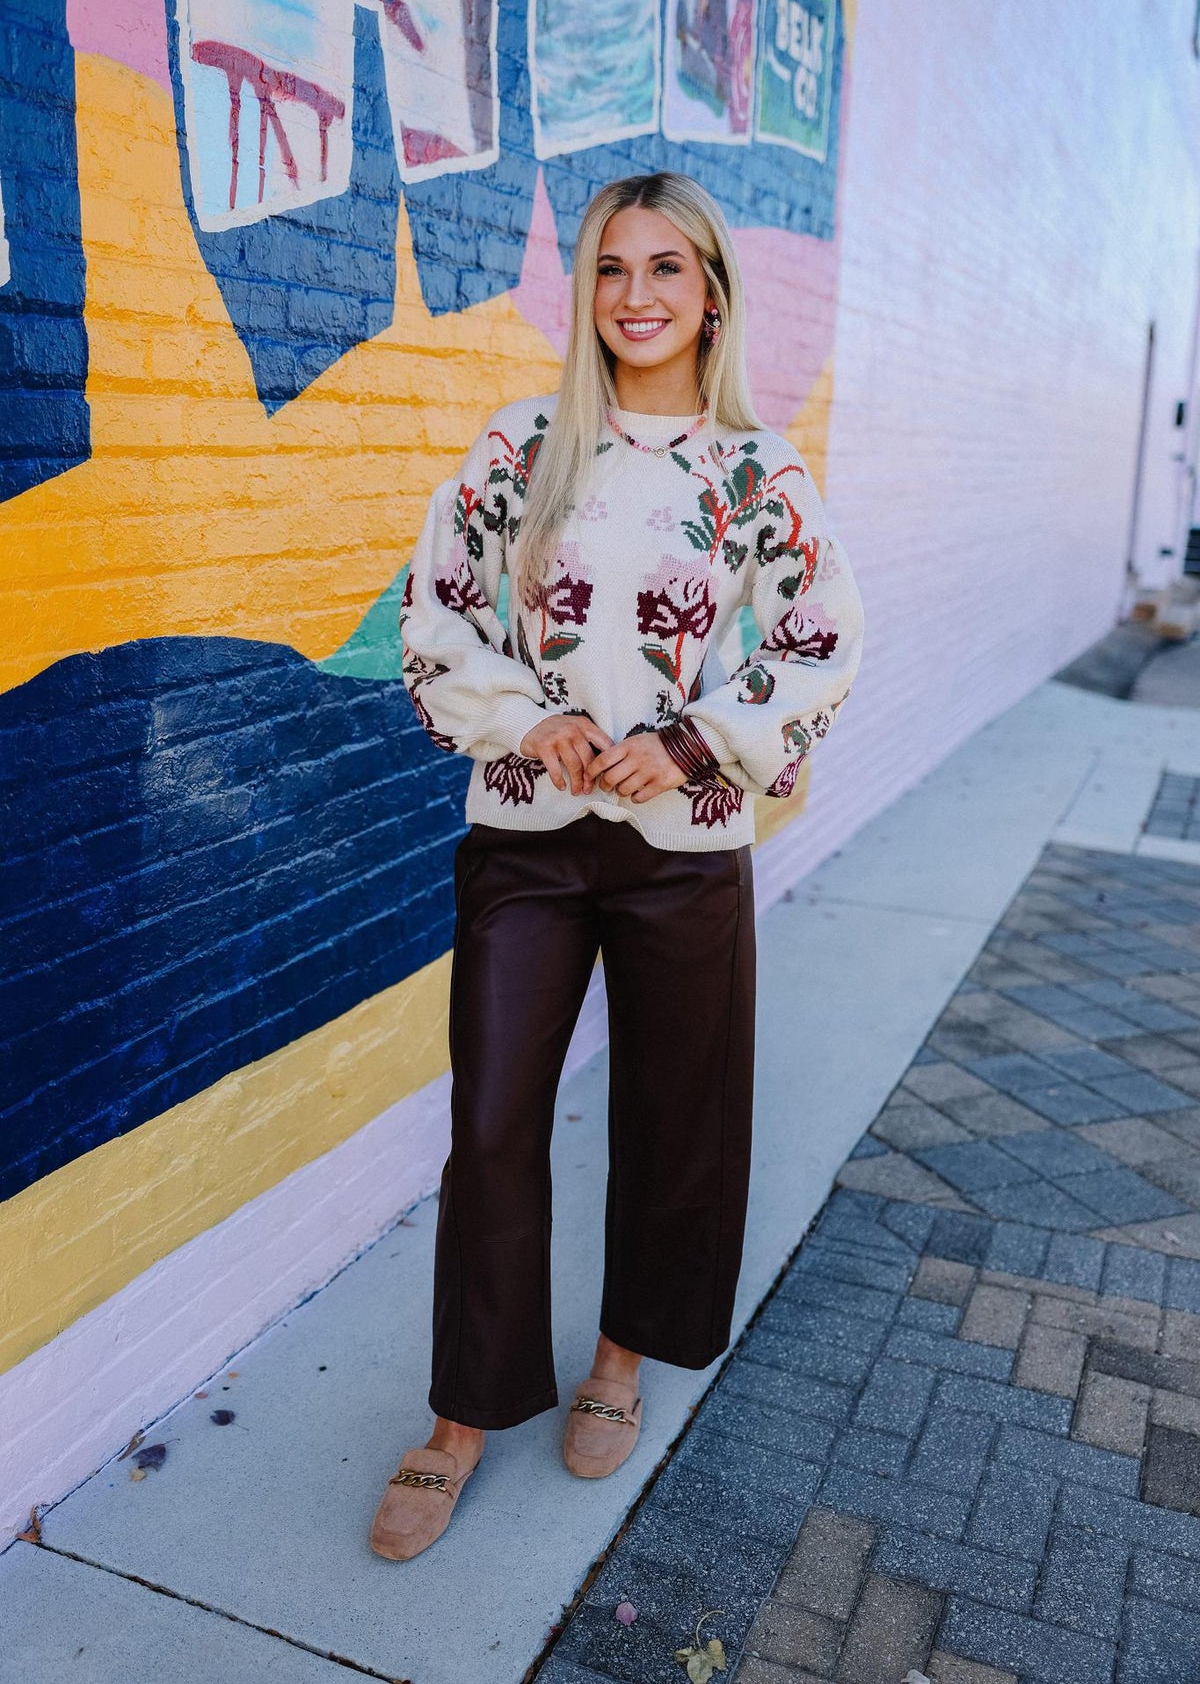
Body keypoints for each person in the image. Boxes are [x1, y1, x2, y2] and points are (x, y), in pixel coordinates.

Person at [369, 170, 864, 1561]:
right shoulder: (521, 450)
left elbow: (822, 636)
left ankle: (621, 1361)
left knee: (674, 1119)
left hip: (681, 856)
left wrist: (702, 738)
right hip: (527, 841)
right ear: (583, 293)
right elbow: (436, 622)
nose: (635, 296)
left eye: (665, 269)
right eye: (608, 269)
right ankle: (464, 1417)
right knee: (493, 1126)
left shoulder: (757, 477)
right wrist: (539, 719)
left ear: (712, 295)